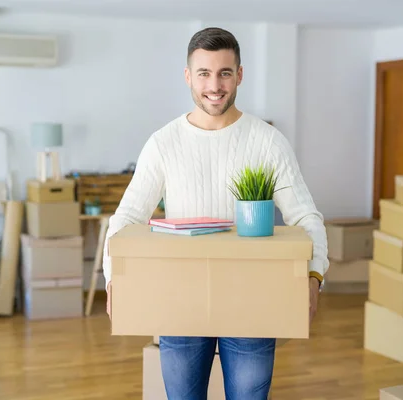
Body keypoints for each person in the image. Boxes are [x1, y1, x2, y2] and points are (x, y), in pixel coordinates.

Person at [102, 27, 328, 400]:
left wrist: (314, 276)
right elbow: (125, 219)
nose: (215, 85)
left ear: (239, 75)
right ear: (188, 76)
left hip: (252, 302)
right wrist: (114, 279)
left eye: (225, 72)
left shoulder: (267, 142)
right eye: (204, 73)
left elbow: (306, 218)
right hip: (180, 302)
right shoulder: (163, 143)